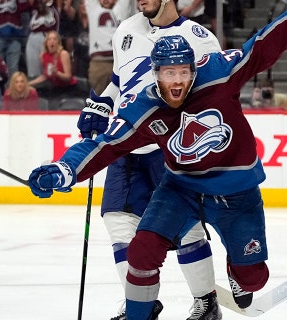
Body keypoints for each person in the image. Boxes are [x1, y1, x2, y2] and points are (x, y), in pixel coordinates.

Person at [27, 2, 287, 319]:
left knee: (253, 278)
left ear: (195, 68)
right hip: (181, 188)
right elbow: (106, 144)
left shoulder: (218, 72)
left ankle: (234, 269)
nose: (176, 82)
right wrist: (64, 170)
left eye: (183, 73)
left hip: (236, 192)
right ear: (155, 73)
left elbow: (261, 47)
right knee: (141, 251)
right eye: (168, 73)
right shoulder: (145, 104)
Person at [74, 0, 222, 318]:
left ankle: (207, 303)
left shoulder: (198, 37)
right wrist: (99, 104)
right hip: (127, 144)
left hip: (170, 148)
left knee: (186, 227)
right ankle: (142, 303)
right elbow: (118, 78)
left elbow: (218, 95)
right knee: (117, 221)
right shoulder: (127, 29)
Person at [85, 0, 136, 95]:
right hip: (99, 64)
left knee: (122, 97)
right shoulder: (93, 9)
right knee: (98, 98)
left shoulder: (121, 9)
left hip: (121, 63)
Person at [29, 30, 86, 108]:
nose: (52, 41)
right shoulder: (43, 56)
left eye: (54, 39)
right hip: (55, 88)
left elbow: (68, 77)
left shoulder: (63, 54)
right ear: (46, 42)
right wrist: (29, 83)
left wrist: (57, 73)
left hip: (69, 88)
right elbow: (45, 75)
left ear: (58, 43)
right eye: (49, 39)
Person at [25, 0, 60, 79]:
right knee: (33, 70)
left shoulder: (54, 10)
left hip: (46, 39)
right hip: (32, 38)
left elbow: (56, 31)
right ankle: (36, 87)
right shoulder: (36, 8)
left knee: (48, 69)